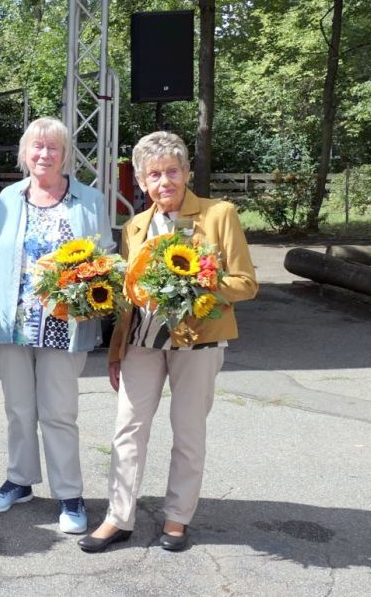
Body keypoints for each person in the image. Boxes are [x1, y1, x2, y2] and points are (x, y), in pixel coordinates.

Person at [78, 131, 258, 553]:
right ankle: (117, 517)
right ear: (141, 182)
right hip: (143, 342)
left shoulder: (219, 214)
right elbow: (130, 296)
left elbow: (246, 283)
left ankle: (177, 519)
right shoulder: (137, 225)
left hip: (199, 341)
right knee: (127, 429)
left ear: (187, 172)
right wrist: (116, 351)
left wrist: (196, 285)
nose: (165, 182)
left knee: (188, 433)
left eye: (172, 171)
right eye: (154, 175)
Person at [0, 117, 114, 535]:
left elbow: (104, 258)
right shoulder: (8, 200)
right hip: (11, 322)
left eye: (53, 147)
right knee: (18, 409)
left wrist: (93, 295)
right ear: (24, 152)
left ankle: (69, 495)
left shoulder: (89, 201)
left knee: (59, 413)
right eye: (36, 147)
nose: (44, 154)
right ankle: (20, 480)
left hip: (64, 324)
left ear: (65, 154)